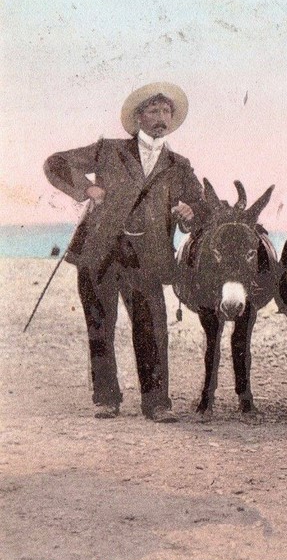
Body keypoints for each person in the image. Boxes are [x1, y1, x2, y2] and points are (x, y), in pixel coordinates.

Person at [44, 82, 207, 422]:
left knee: (153, 328)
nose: (160, 117)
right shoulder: (108, 150)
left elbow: (201, 205)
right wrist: (86, 187)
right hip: (98, 252)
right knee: (100, 326)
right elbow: (55, 163)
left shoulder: (179, 164)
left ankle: (157, 404)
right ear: (138, 118)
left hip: (147, 258)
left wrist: (190, 211)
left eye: (165, 111)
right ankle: (106, 398)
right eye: (153, 111)